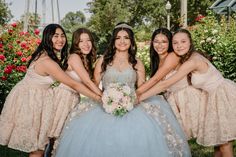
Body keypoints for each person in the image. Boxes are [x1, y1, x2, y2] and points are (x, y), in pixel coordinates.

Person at [54, 22, 191, 157]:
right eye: (118, 38)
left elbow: (141, 86)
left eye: (126, 38)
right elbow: (94, 84)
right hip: (104, 105)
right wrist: (105, 98)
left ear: (131, 41)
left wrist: (131, 97)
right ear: (113, 41)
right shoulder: (103, 61)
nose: (122, 41)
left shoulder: (137, 63)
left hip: (132, 105)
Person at [0, 24, 100, 157]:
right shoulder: (47, 61)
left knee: (42, 145)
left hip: (37, 96)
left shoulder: (49, 56)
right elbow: (73, 84)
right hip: (30, 99)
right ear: (47, 38)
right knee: (38, 148)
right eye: (55, 36)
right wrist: (100, 98)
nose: (60, 40)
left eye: (62, 36)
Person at [139, 28, 236, 157]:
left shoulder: (192, 61)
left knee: (224, 144)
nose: (179, 46)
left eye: (183, 42)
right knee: (218, 143)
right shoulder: (187, 57)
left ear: (190, 42)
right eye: (175, 43)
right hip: (212, 96)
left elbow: (164, 83)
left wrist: (138, 97)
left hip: (222, 95)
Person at [136, 27, 206, 140]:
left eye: (164, 42)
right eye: (156, 41)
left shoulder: (173, 56)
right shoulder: (157, 60)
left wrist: (135, 94)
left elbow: (156, 80)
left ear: (169, 43)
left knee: (210, 137)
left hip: (186, 98)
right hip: (173, 99)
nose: (159, 45)